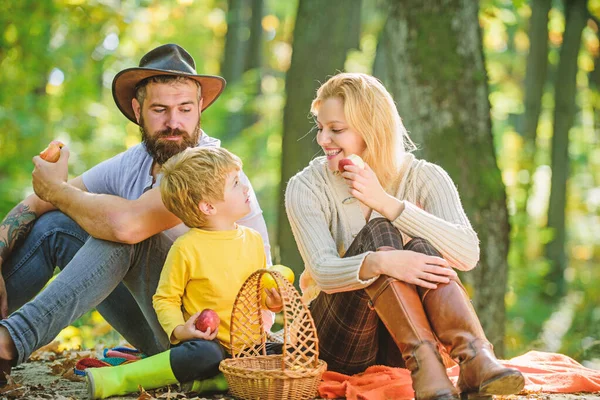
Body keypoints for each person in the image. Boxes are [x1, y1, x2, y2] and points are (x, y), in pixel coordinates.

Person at [0, 44, 271, 383]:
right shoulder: (135, 161)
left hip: (211, 342)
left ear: (200, 107)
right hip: (163, 319)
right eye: (160, 109)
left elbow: (127, 227)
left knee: (126, 236)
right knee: (57, 225)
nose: (174, 122)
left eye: (185, 108)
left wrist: (57, 189)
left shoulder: (211, 169)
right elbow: (39, 202)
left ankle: (8, 343)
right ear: (137, 109)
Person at [284, 73, 525, 400]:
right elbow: (324, 272)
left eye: (336, 129)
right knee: (380, 233)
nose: (323, 139)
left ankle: (473, 358)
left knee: (423, 246)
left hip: (403, 349)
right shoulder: (307, 186)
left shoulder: (425, 178)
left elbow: (466, 254)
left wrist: (387, 203)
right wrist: (384, 261)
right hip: (337, 341)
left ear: (372, 128)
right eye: (320, 128)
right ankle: (442, 368)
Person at [86, 147, 282, 398]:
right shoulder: (187, 248)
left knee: (293, 353)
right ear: (208, 206)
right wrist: (180, 330)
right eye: (235, 183)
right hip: (211, 345)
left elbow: (255, 294)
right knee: (205, 355)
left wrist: (271, 303)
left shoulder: (253, 240)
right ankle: (118, 378)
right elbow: (165, 298)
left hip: (251, 348)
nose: (246, 188)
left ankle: (214, 383)